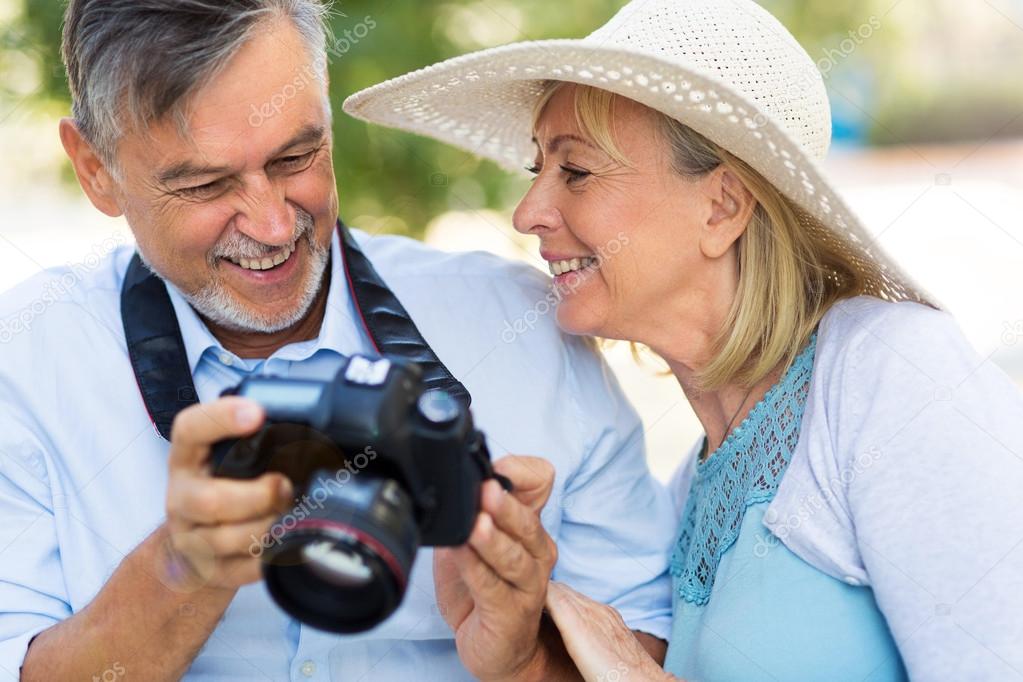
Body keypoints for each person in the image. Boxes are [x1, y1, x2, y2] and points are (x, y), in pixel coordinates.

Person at [343, 0, 1023, 679]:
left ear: (721, 207)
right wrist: (524, 659)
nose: (529, 214)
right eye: (536, 171)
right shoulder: (689, 488)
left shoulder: (891, 373)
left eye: (574, 171)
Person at [0, 1, 678, 680]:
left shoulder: (527, 328)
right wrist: (182, 568)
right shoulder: (25, 364)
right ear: (94, 170)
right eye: (205, 184)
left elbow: (642, 650)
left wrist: (528, 659)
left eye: (297, 157)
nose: (271, 226)